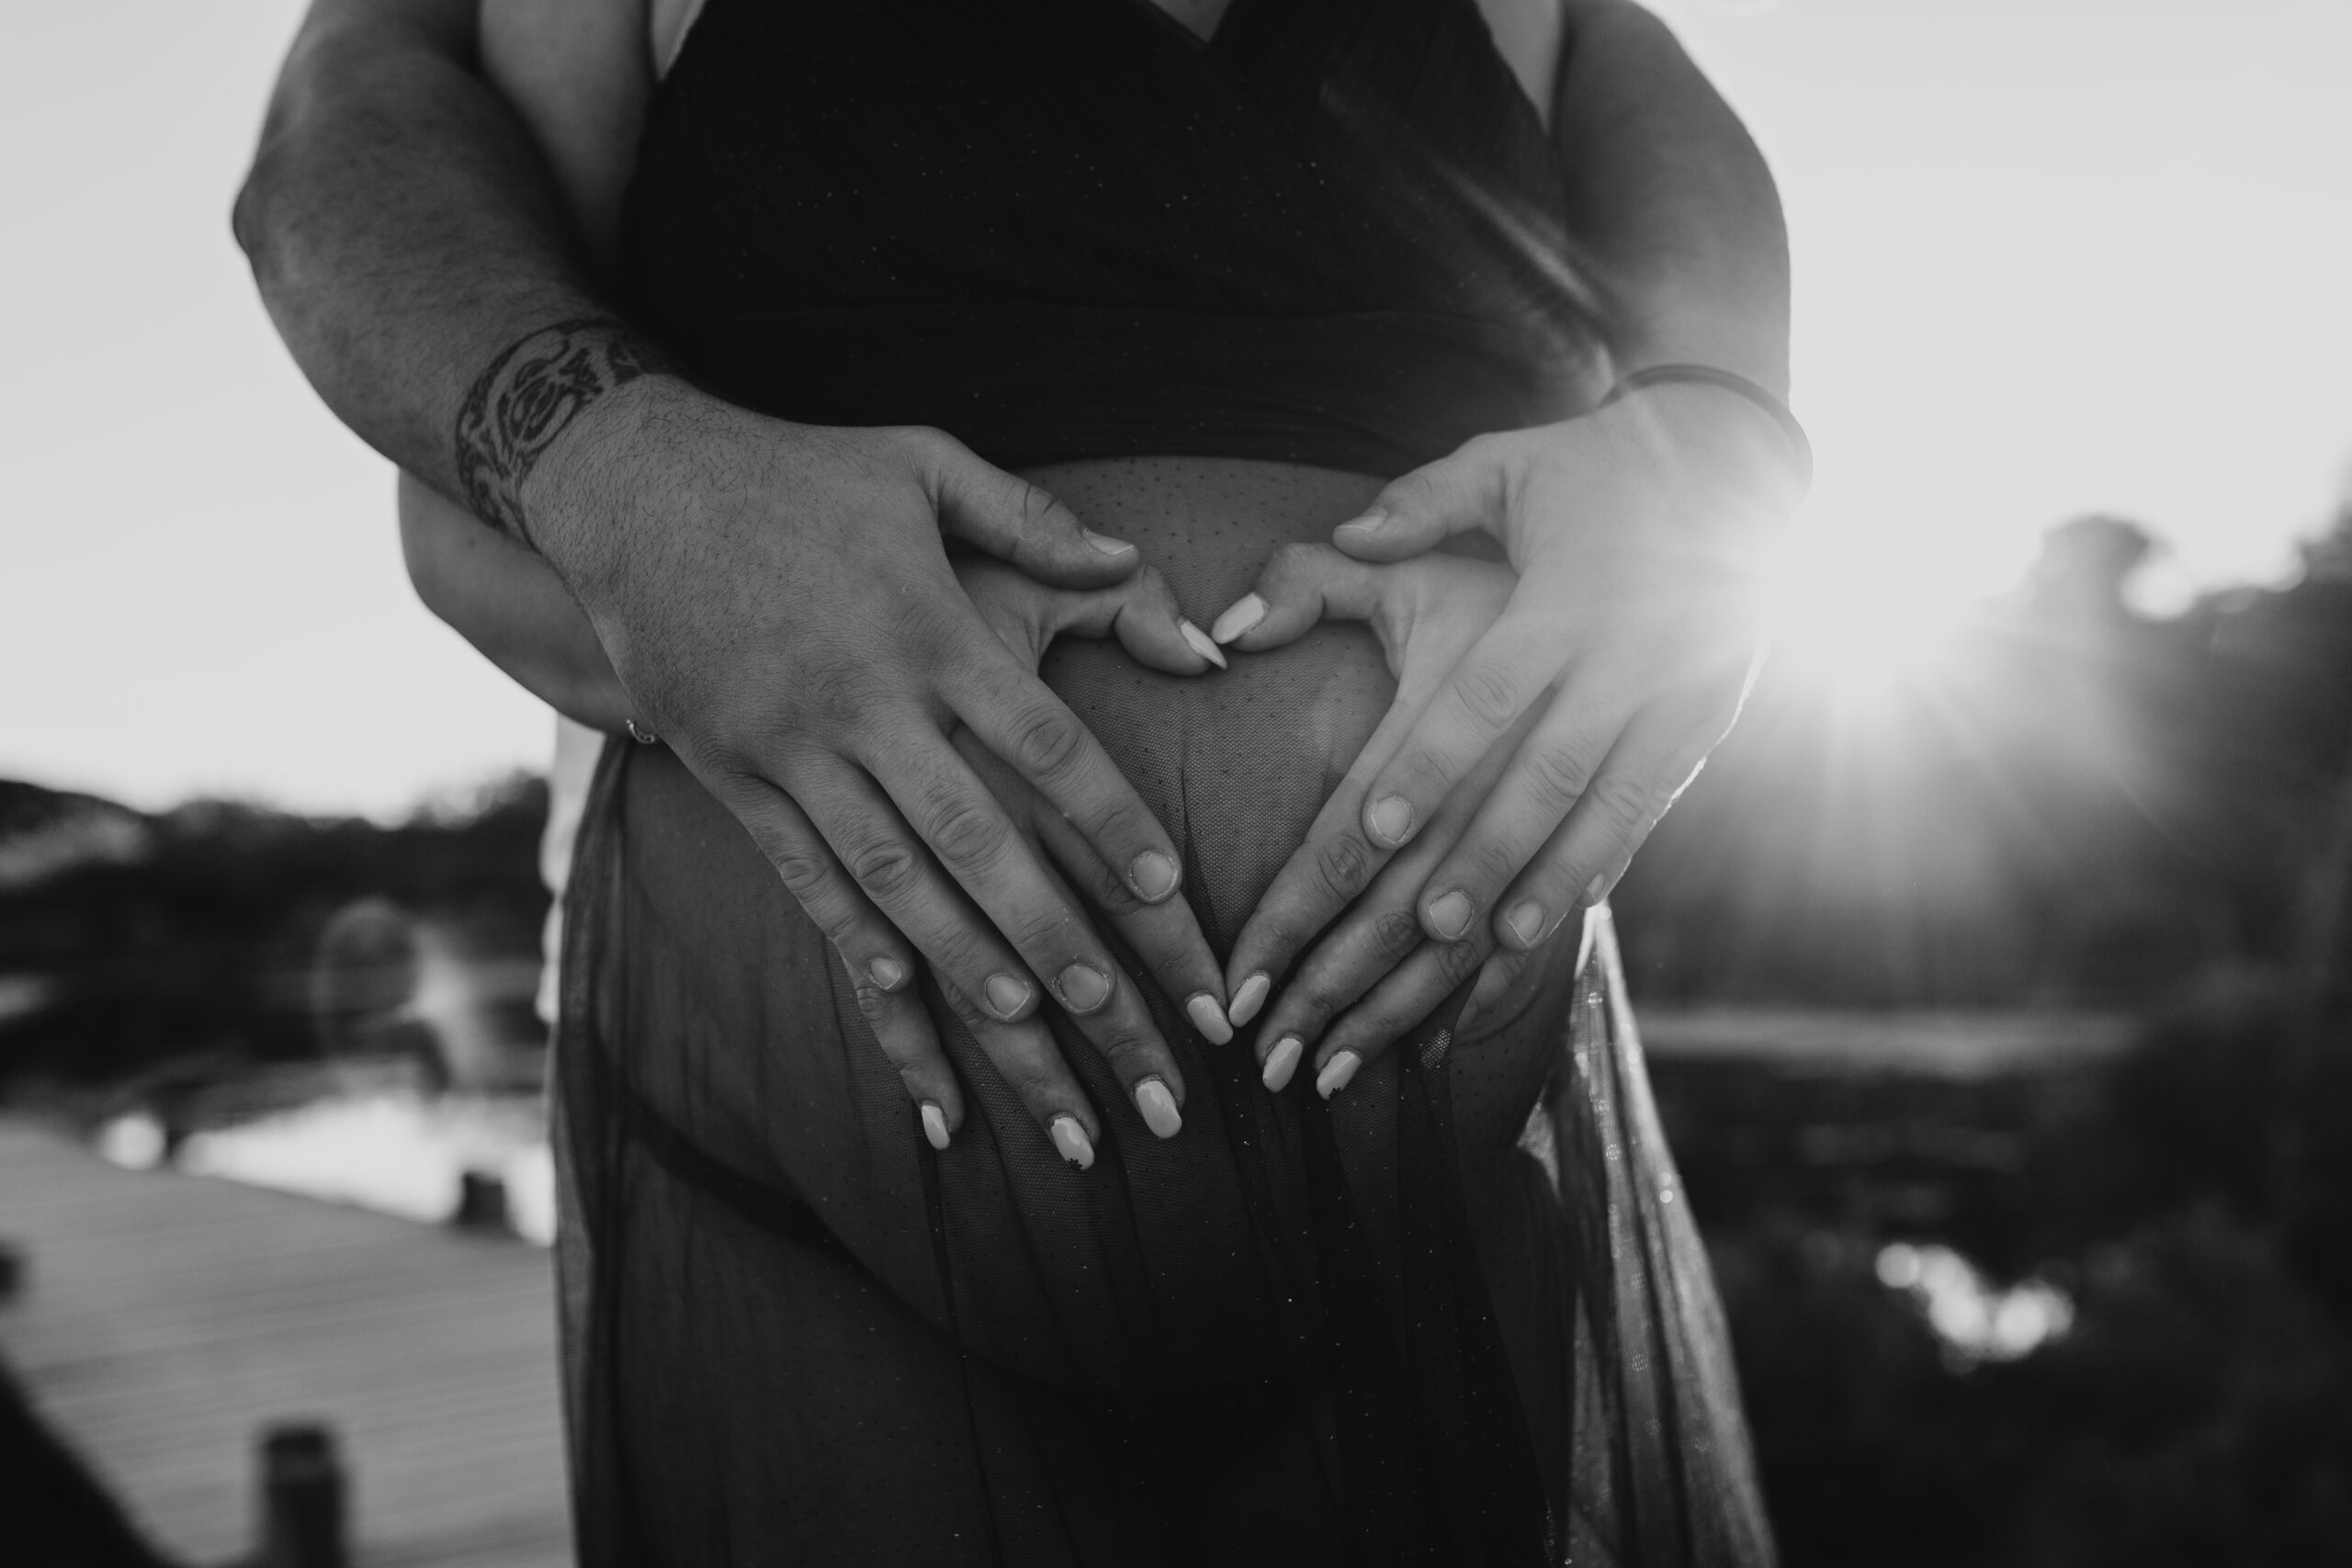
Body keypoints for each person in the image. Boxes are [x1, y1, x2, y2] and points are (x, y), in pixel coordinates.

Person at [239, 0, 1800, 1561]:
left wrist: (1720, 449)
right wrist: (629, 483)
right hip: (819, 1221)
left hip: (1429, 1199)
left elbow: (1659, 140)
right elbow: (347, 188)